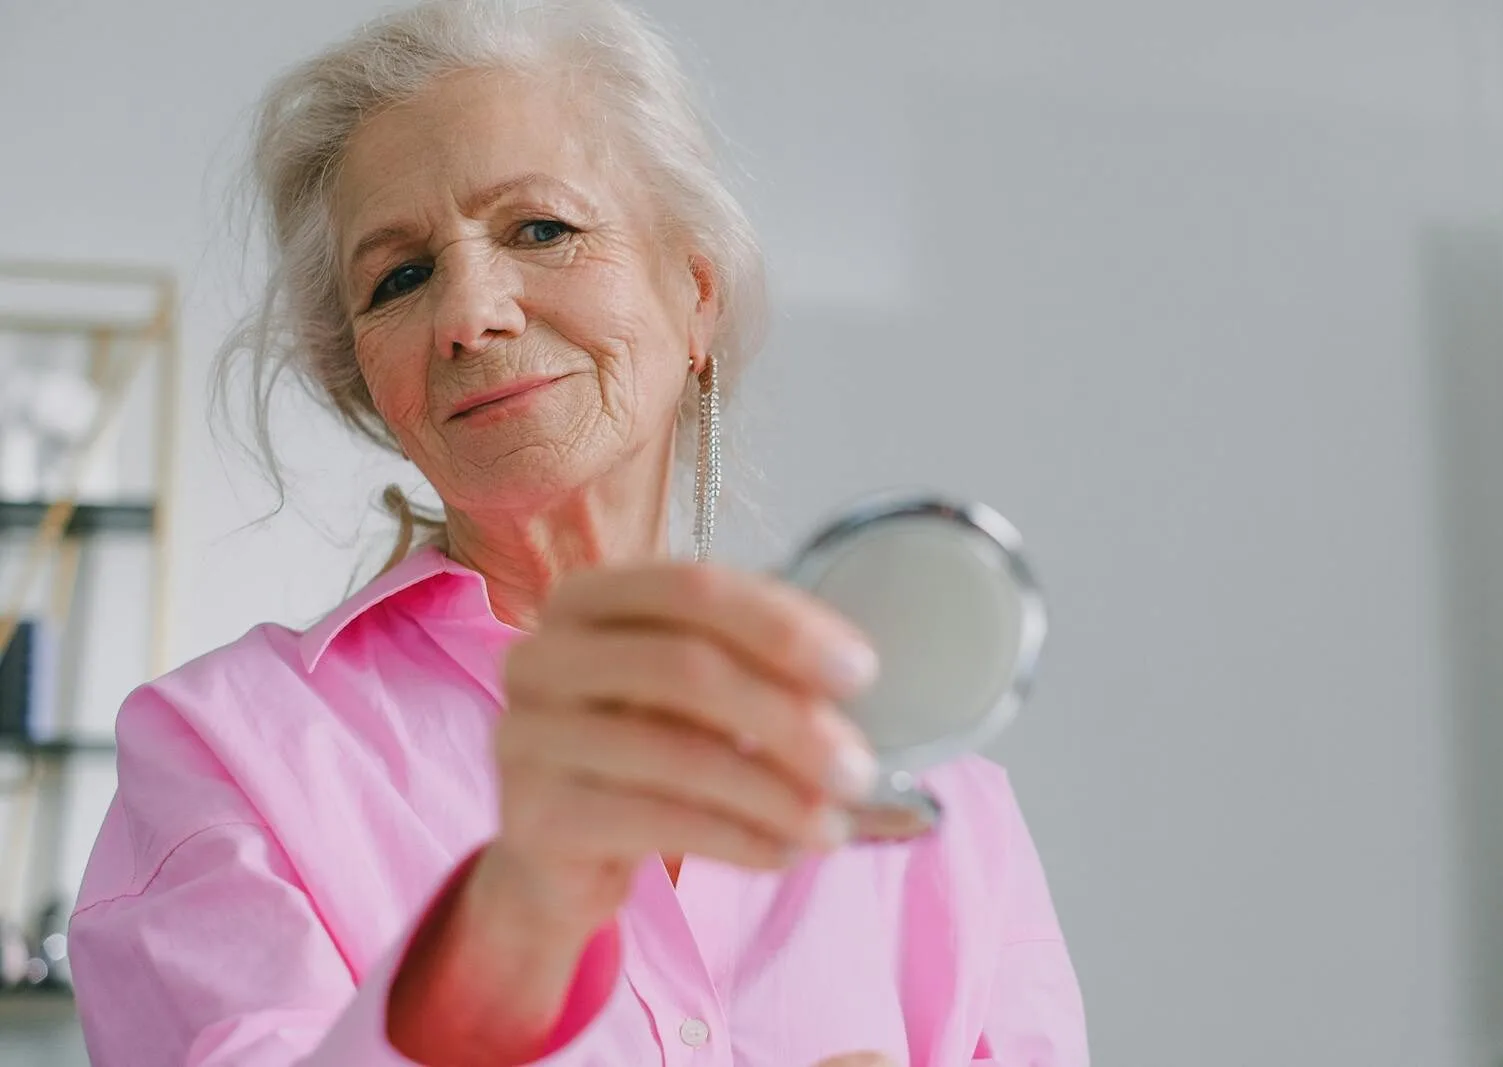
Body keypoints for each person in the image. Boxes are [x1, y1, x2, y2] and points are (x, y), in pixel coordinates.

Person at [67, 1, 1090, 1064]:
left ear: (694, 294)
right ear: (371, 383)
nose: (471, 311)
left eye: (540, 228)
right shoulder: (219, 750)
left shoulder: (933, 789)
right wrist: (507, 923)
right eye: (399, 276)